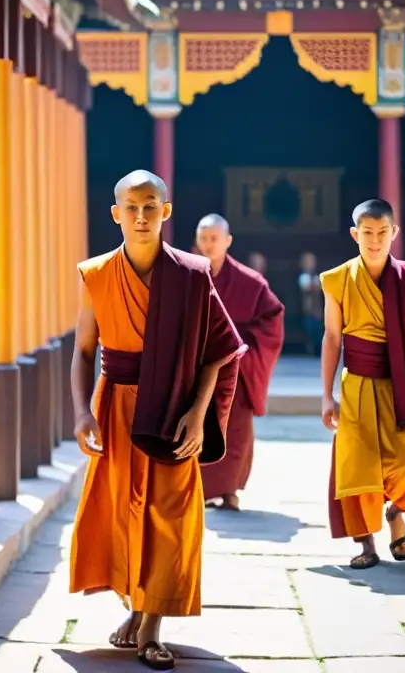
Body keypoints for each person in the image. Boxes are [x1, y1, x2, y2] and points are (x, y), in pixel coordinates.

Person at [69, 170, 247, 669]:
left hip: (173, 405)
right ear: (116, 213)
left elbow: (219, 350)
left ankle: (151, 625)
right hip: (117, 406)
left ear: (166, 212)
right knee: (123, 509)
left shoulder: (193, 273)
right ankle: (135, 604)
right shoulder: (96, 273)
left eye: (151, 206)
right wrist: (83, 411)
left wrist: (197, 412)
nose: (142, 216)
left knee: (171, 512)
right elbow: (84, 350)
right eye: (132, 207)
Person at [320, 199, 405, 570]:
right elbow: (333, 338)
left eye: (382, 233)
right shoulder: (335, 280)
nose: (375, 240)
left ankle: (397, 512)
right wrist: (326, 395)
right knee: (357, 470)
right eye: (367, 233)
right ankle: (366, 544)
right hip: (356, 386)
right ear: (355, 234)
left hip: (399, 386)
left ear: (394, 233)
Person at [194, 214, 285, 511]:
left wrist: (246, 354)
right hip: (196, 367)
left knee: (235, 431)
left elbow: (272, 318)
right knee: (198, 426)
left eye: (214, 238)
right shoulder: (187, 276)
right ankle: (199, 488)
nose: (208, 244)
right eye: (204, 238)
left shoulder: (250, 282)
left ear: (227, 241)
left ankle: (229, 490)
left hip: (236, 367)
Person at [299, 252, 323, 356]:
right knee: (308, 330)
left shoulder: (316, 276)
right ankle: (308, 350)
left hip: (316, 308)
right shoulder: (303, 277)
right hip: (307, 309)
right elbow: (308, 288)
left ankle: (318, 351)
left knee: (318, 330)